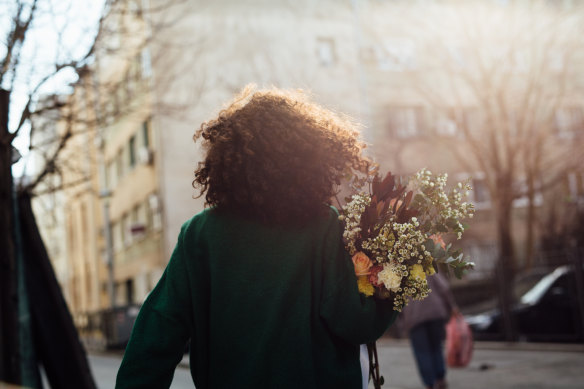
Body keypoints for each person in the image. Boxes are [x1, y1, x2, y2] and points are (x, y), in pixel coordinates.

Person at [115, 86, 398, 389]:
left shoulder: (199, 235)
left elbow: (157, 334)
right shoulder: (324, 225)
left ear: (226, 160)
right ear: (308, 158)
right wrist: (395, 284)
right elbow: (353, 321)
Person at [400, 272, 457, 389]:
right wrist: (452, 307)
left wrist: (402, 324)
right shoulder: (426, 266)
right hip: (435, 312)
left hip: (414, 318)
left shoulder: (400, 273)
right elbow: (444, 288)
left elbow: (397, 302)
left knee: (422, 353)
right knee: (436, 347)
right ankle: (440, 378)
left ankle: (430, 383)